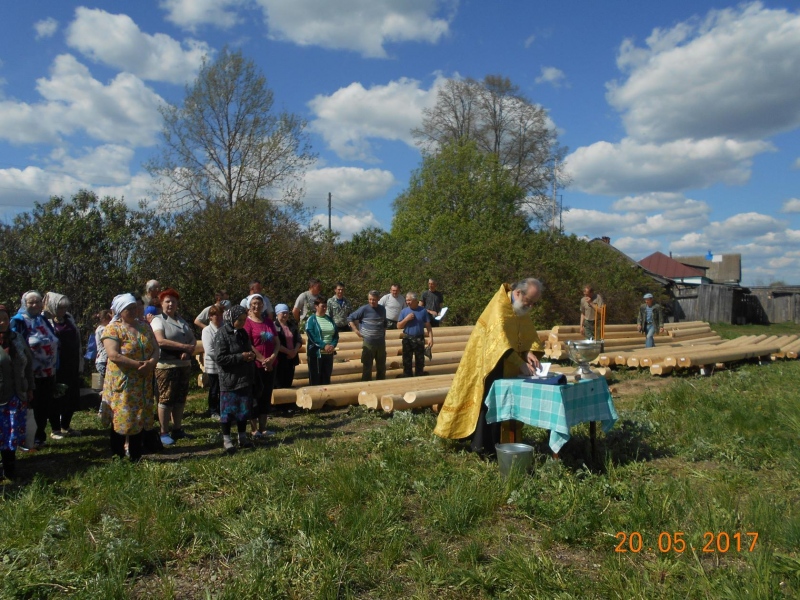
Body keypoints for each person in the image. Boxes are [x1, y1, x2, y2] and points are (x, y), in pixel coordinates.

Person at [434, 278, 544, 454]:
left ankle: (500, 442)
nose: (530, 306)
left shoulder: (519, 307)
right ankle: (482, 447)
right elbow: (499, 342)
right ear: (518, 293)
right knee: (488, 401)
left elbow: (525, 334)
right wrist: (520, 363)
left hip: (507, 362)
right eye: (528, 301)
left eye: (533, 303)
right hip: (488, 362)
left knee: (503, 402)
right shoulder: (500, 307)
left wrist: (527, 352)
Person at [101, 294, 159, 462]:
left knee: (140, 415)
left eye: (135, 308)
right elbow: (113, 354)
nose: (134, 311)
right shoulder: (113, 329)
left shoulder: (144, 326)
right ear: (120, 311)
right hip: (124, 382)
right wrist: (138, 365)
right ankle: (118, 454)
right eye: (129, 309)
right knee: (122, 416)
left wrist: (151, 363)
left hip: (143, 380)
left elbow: (155, 348)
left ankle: (136, 453)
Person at [10, 291, 59, 449]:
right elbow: (16, 346)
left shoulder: (42, 319)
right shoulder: (18, 321)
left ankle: (40, 436)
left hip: (48, 371)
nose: (35, 305)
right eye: (31, 302)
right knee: (33, 405)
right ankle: (28, 438)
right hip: (31, 373)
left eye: (38, 302)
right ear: (25, 303)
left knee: (44, 405)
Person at [150, 288, 196, 446]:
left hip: (184, 365)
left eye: (173, 301)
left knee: (180, 398)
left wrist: (188, 350)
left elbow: (192, 339)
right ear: (161, 303)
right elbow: (160, 341)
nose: (170, 304)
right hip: (166, 365)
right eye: (167, 301)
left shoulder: (181, 320)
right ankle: (164, 431)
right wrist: (183, 347)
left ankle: (177, 428)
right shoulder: (157, 320)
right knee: (166, 398)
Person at [213, 305, 256, 453]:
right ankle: (227, 440)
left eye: (244, 319)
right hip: (229, 380)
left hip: (244, 378)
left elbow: (249, 349)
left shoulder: (243, 333)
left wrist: (251, 356)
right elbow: (220, 358)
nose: (242, 322)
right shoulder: (222, 334)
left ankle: (242, 437)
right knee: (228, 412)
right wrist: (240, 357)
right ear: (231, 319)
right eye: (239, 320)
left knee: (243, 410)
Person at [0, 303, 34, 479]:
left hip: (16, 395)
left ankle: (10, 468)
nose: (2, 323)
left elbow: (28, 364)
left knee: (10, 435)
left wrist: (30, 387)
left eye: (5, 319)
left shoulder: (17, 338)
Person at [43, 292, 83, 439]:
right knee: (57, 396)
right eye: (60, 307)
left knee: (71, 395)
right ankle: (55, 429)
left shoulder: (69, 318)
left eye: (65, 307)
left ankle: (66, 425)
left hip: (71, 363)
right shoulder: (46, 320)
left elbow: (77, 339)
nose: (63, 310)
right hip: (57, 365)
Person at [243, 294, 280, 438]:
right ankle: (254, 429)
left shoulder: (268, 322)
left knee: (266, 394)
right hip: (255, 366)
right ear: (249, 306)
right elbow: (248, 344)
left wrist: (272, 358)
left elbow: (277, 342)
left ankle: (264, 427)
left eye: (259, 303)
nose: (256, 306)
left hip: (271, 364)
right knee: (254, 395)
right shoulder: (247, 323)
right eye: (253, 303)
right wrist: (262, 359)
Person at [348, 291, 387, 382]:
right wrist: (356, 331)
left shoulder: (382, 309)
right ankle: (366, 386)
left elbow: (384, 322)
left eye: (374, 299)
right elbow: (350, 318)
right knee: (367, 367)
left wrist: (382, 332)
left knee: (381, 366)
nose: (371, 301)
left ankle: (381, 385)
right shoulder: (364, 309)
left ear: (378, 299)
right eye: (370, 299)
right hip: (369, 343)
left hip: (380, 343)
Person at [397, 292, 433, 377]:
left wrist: (431, 338)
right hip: (407, 339)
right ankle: (407, 375)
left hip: (419, 338)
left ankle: (419, 375)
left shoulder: (423, 311)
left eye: (409, 300)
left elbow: (428, 326)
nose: (407, 302)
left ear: (415, 300)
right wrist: (406, 319)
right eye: (406, 300)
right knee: (406, 360)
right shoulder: (404, 311)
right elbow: (398, 326)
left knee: (420, 360)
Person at [305, 299, 338, 386]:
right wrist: (324, 346)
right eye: (322, 306)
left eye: (325, 306)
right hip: (316, 354)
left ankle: (325, 398)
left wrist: (332, 345)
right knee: (315, 378)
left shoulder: (330, 320)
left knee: (326, 377)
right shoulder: (311, 320)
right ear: (316, 306)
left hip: (328, 354)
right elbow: (311, 335)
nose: (324, 308)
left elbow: (335, 335)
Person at [201, 304, 223, 420]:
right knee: (214, 389)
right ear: (210, 317)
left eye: (220, 315)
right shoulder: (207, 330)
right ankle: (213, 410)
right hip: (213, 365)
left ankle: (222, 408)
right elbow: (209, 350)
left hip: (225, 365)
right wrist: (223, 359)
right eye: (215, 315)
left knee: (223, 388)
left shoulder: (225, 328)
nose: (218, 317)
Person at [275, 304, 301, 389]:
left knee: (288, 381)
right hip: (280, 359)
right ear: (277, 314)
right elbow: (275, 343)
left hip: (292, 358)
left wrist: (294, 351)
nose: (285, 315)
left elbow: (298, 339)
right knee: (279, 383)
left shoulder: (292, 325)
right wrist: (288, 352)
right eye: (283, 313)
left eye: (287, 313)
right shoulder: (274, 326)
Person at [94, 310, 113, 388]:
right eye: (109, 318)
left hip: (103, 360)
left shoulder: (102, 328)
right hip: (103, 360)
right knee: (109, 385)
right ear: (104, 319)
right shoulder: (102, 329)